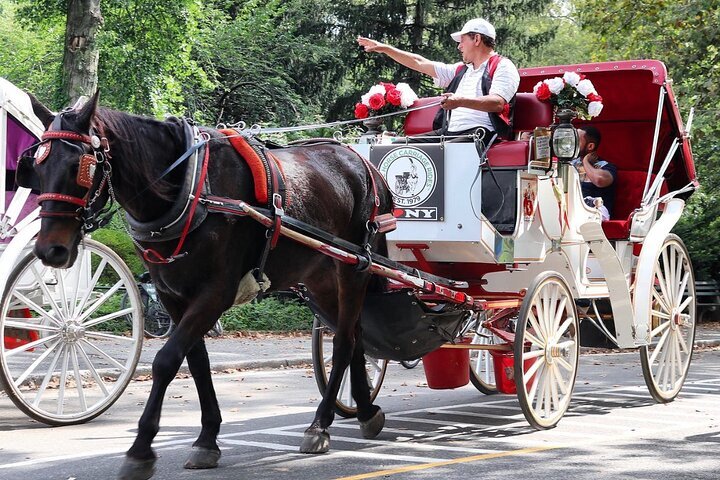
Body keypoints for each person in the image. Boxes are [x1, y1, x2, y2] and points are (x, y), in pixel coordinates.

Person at [357, 18, 519, 142]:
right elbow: (419, 62)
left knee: (442, 150)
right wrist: (384, 48)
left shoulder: (503, 66)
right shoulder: (460, 70)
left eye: (462, 41)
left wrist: (460, 101)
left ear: (476, 39)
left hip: (482, 134)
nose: (459, 47)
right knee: (398, 145)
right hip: (448, 133)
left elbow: (497, 103)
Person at [571, 126, 616, 220]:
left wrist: (585, 161)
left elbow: (599, 180)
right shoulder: (571, 163)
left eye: (577, 140)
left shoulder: (606, 166)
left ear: (590, 146)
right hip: (571, 209)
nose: (572, 143)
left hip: (594, 213)